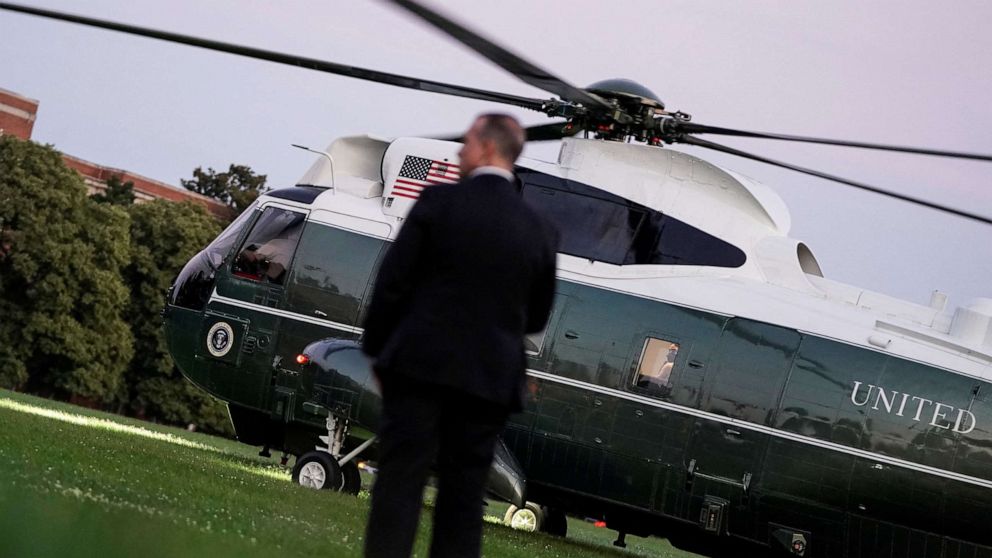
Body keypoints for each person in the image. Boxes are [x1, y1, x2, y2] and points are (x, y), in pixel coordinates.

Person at [361, 113, 558, 558]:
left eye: (467, 143)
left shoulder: (437, 203)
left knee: (400, 480)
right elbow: (537, 315)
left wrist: (376, 351)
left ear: (487, 148)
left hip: (419, 366)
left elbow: (393, 283)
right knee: (465, 496)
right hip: (490, 378)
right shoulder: (541, 229)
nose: (460, 152)